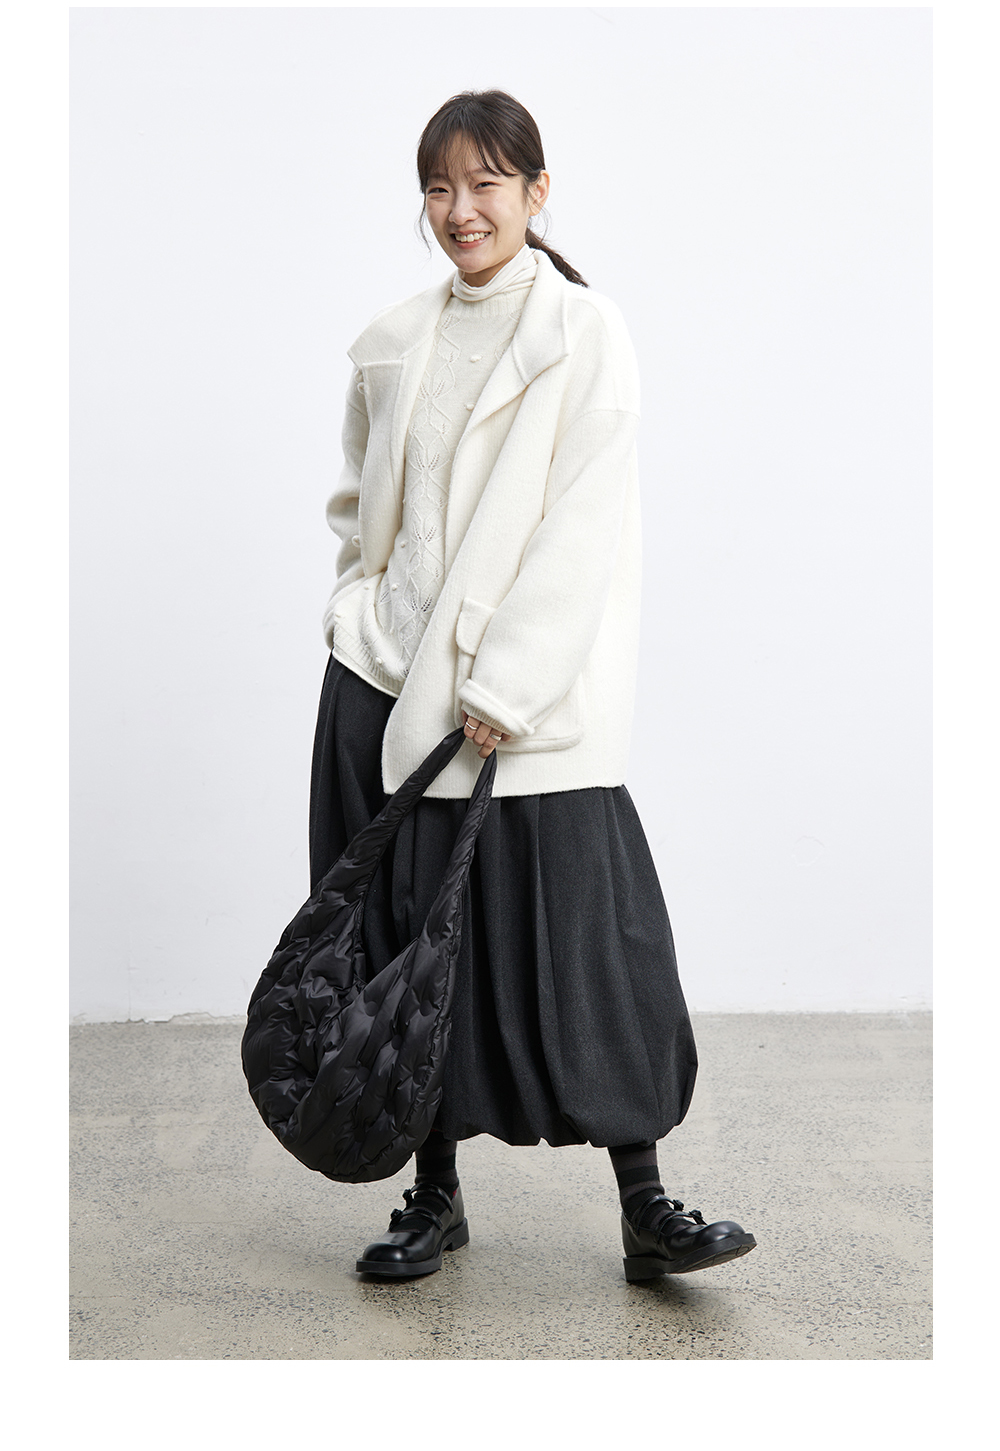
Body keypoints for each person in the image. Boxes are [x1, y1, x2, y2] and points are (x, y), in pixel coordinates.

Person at [310, 89, 756, 1283]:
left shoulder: (581, 330)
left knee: (586, 947)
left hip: (523, 706)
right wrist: (357, 615)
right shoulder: (391, 340)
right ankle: (433, 1197)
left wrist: (506, 680)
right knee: (403, 957)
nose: (461, 210)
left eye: (486, 184)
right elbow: (359, 508)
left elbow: (583, 520)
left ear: (536, 192)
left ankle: (645, 1205)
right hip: (381, 687)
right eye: (439, 188)